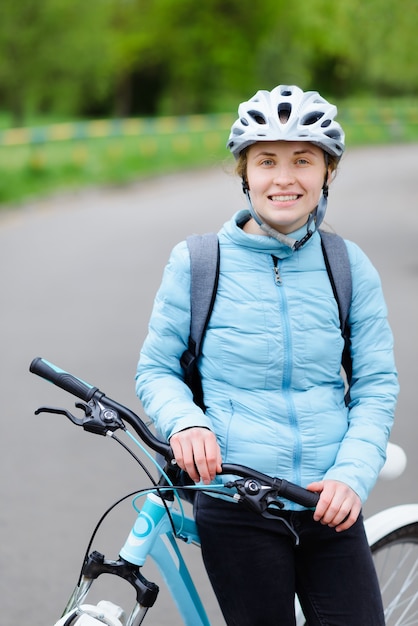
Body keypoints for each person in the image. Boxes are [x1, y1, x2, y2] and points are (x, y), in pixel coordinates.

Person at [135, 85, 399, 625]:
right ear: (244, 174)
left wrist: (351, 474)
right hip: (236, 504)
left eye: (303, 159)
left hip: (328, 502)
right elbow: (158, 369)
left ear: (327, 173)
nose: (285, 178)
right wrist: (186, 424)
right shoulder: (196, 262)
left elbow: (376, 385)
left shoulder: (348, 266)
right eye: (267, 161)